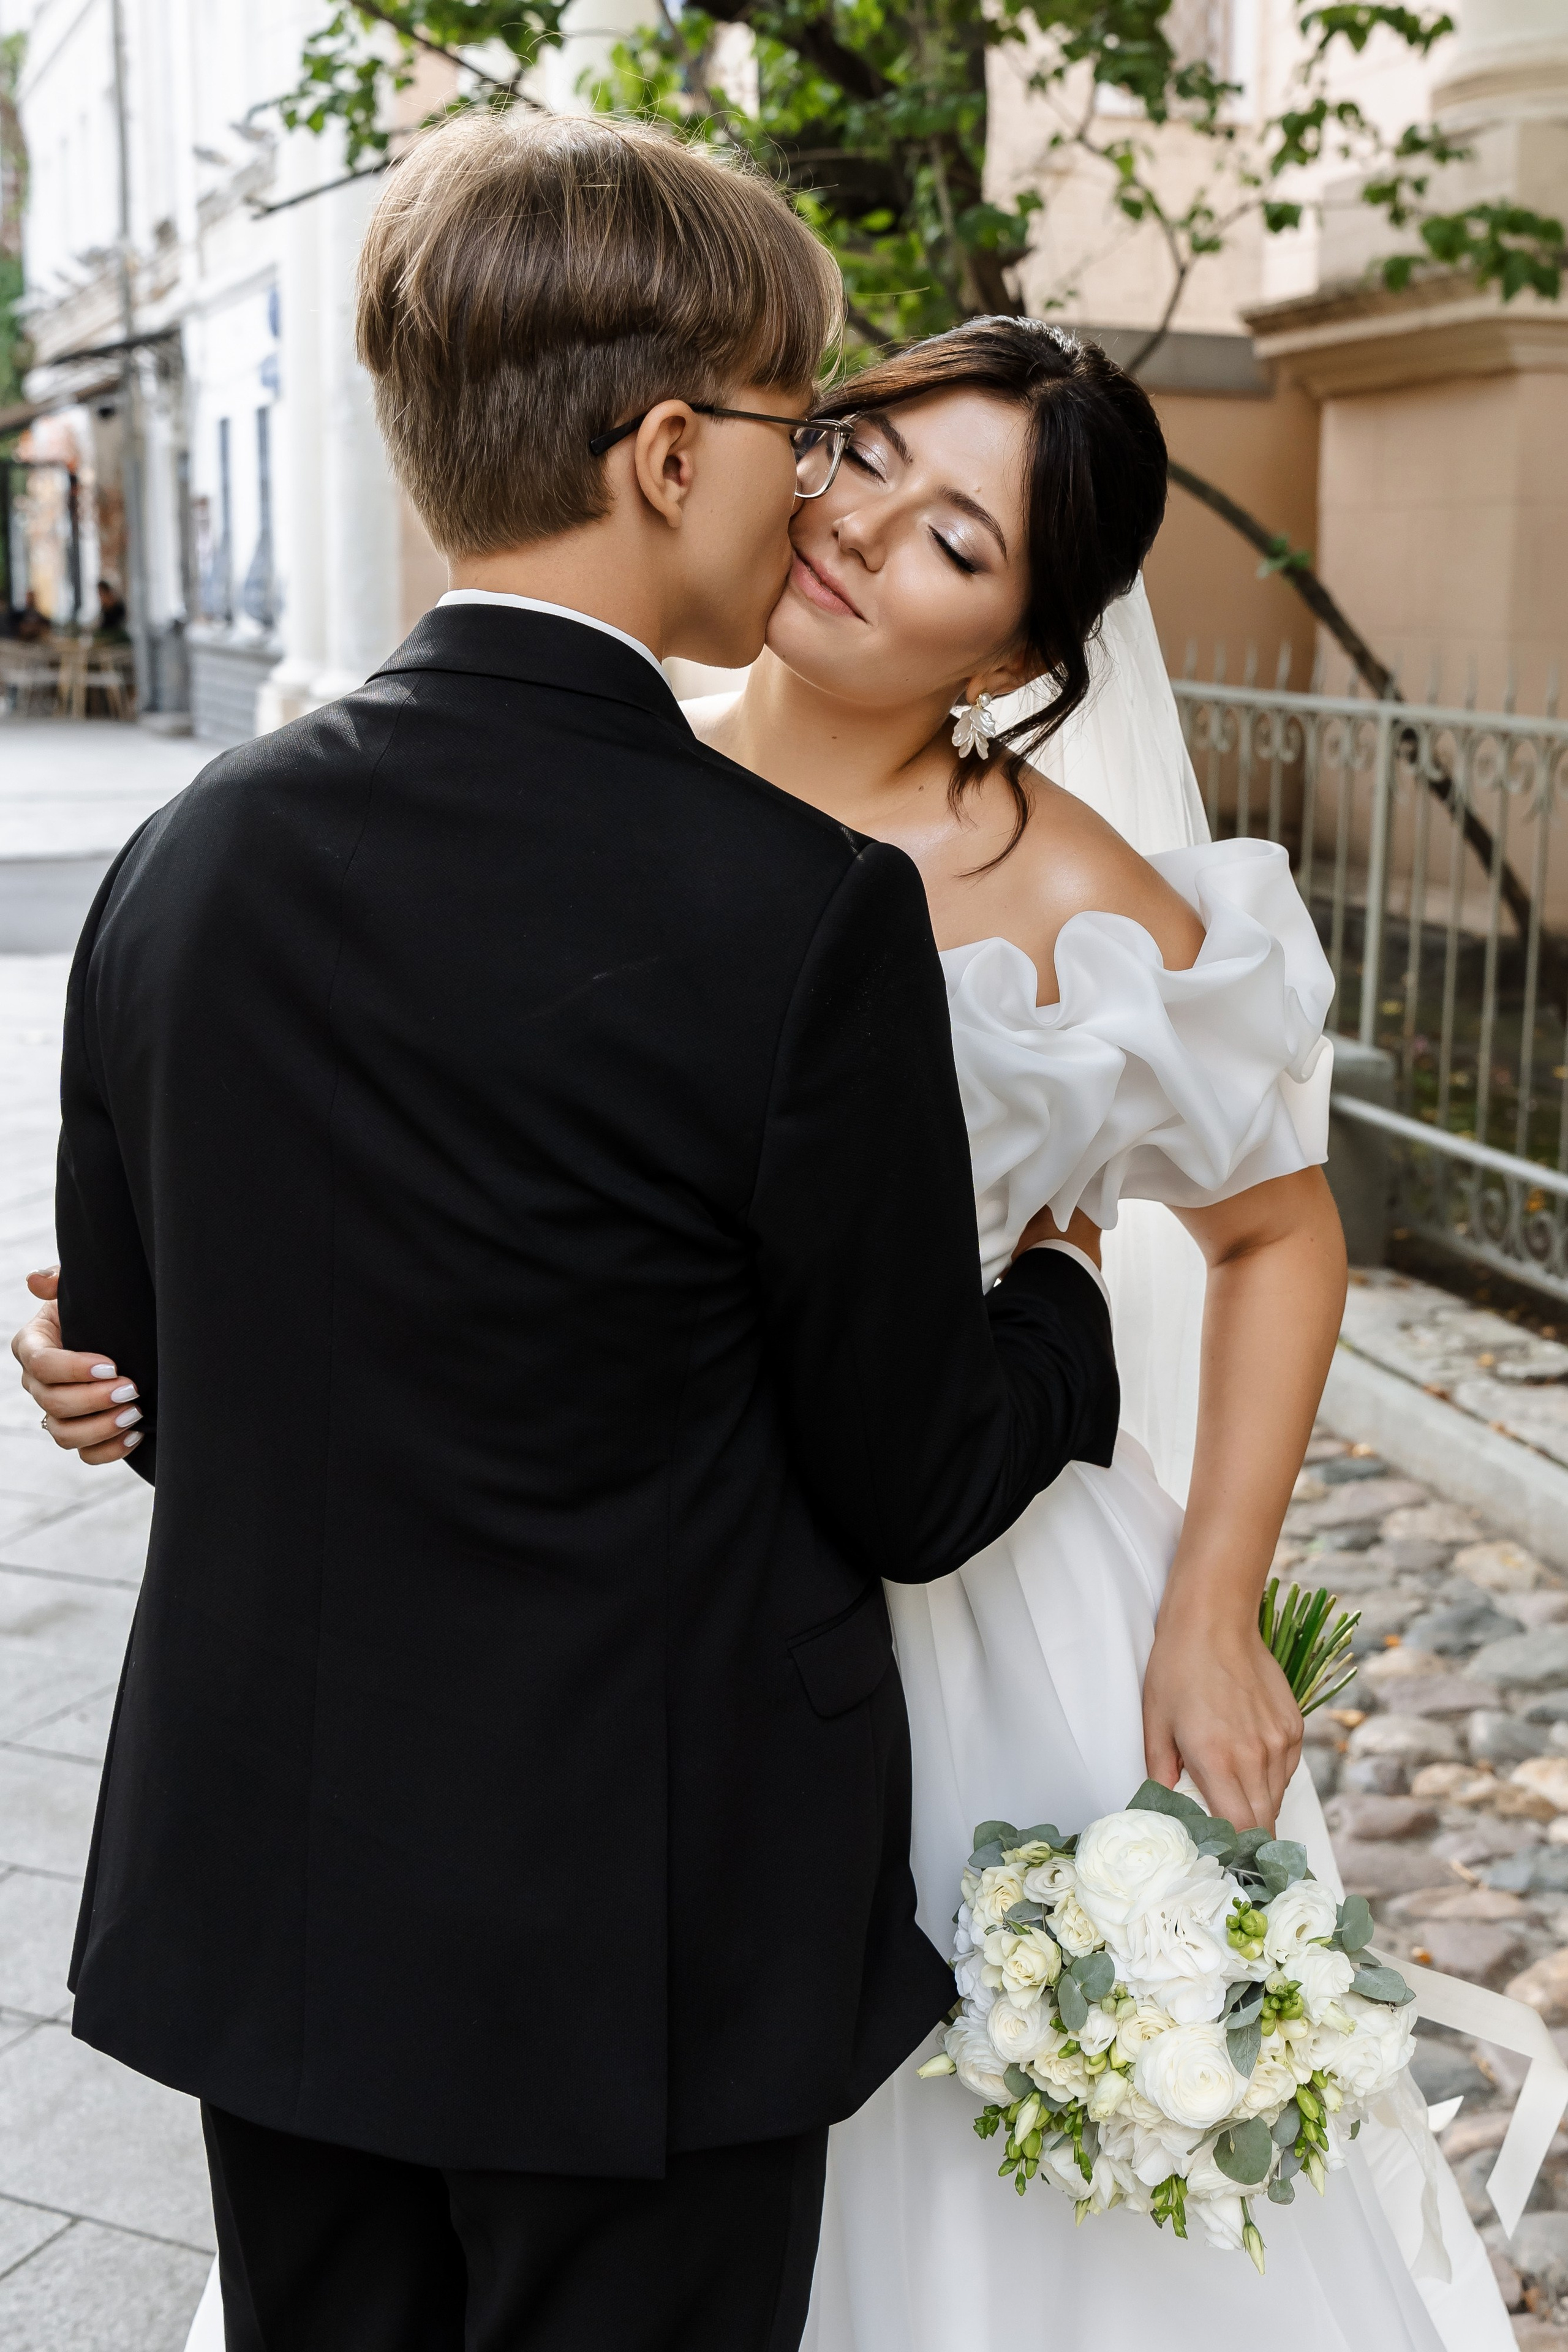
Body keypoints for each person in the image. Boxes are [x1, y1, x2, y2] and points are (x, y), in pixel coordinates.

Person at [9, 113, 1123, 2352]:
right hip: (648, 1944)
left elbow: (138, 1372)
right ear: (666, 449)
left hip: (290, 1906)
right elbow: (910, 1477)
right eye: (804, 431)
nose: (818, 488)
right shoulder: (808, 915)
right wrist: (1067, 1304)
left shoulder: (180, 858)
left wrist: (95, 1371)